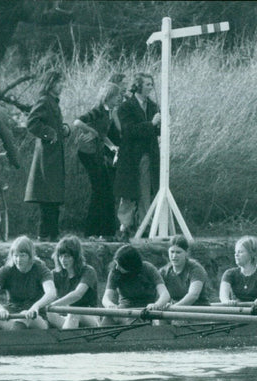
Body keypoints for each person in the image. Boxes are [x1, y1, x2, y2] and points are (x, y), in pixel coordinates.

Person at [72, 82, 123, 240]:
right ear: (108, 97)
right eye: (116, 96)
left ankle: (105, 231)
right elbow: (77, 122)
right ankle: (92, 231)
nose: (119, 99)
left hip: (96, 152)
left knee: (105, 190)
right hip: (88, 152)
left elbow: (102, 134)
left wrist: (112, 146)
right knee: (100, 189)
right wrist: (91, 130)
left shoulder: (109, 112)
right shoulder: (98, 110)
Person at [24, 71, 70, 242]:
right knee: (47, 196)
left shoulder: (53, 102)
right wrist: (48, 133)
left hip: (53, 154)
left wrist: (63, 129)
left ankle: (52, 233)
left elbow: (51, 124)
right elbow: (31, 123)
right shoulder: (44, 101)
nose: (61, 86)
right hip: (47, 156)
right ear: (50, 83)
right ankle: (45, 234)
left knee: (53, 196)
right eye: (58, 82)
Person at [114, 73, 161, 241]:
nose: (151, 87)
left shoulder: (153, 107)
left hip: (149, 156)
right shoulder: (126, 107)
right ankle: (125, 226)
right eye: (147, 84)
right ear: (138, 86)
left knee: (146, 191)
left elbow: (157, 132)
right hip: (131, 157)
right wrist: (151, 124)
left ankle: (145, 224)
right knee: (128, 193)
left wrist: (163, 124)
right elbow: (128, 131)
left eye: (151, 84)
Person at [0, 235, 57, 330]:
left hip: (35, 318)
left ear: (30, 256)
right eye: (15, 256)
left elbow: (51, 293)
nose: (18, 260)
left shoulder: (41, 269)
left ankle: (11, 342)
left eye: (23, 255)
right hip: (12, 316)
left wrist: (35, 307)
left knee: (24, 315)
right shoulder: (7, 270)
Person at [101, 244, 170, 326]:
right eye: (116, 264)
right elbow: (106, 298)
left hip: (145, 311)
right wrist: (110, 305)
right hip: (123, 309)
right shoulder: (114, 272)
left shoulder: (148, 268)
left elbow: (165, 294)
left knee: (134, 324)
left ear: (131, 266)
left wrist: (156, 305)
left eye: (120, 265)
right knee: (106, 320)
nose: (117, 267)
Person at [46, 235, 101, 329]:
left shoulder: (88, 271)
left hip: (90, 315)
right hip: (66, 317)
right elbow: (47, 294)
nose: (63, 260)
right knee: (48, 313)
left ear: (76, 257)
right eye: (61, 256)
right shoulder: (55, 274)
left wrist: (53, 305)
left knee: (74, 313)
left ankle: (65, 341)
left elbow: (77, 294)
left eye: (67, 256)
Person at [219, 236, 257, 307]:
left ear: (251, 254)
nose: (236, 255)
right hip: (236, 312)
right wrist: (227, 301)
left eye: (240, 252)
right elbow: (223, 296)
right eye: (235, 252)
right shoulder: (229, 274)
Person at [159, 234, 213, 307]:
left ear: (186, 253)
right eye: (172, 252)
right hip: (175, 312)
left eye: (178, 252)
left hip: (198, 311)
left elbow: (193, 295)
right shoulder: (164, 272)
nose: (174, 256)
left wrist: (174, 308)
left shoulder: (196, 269)